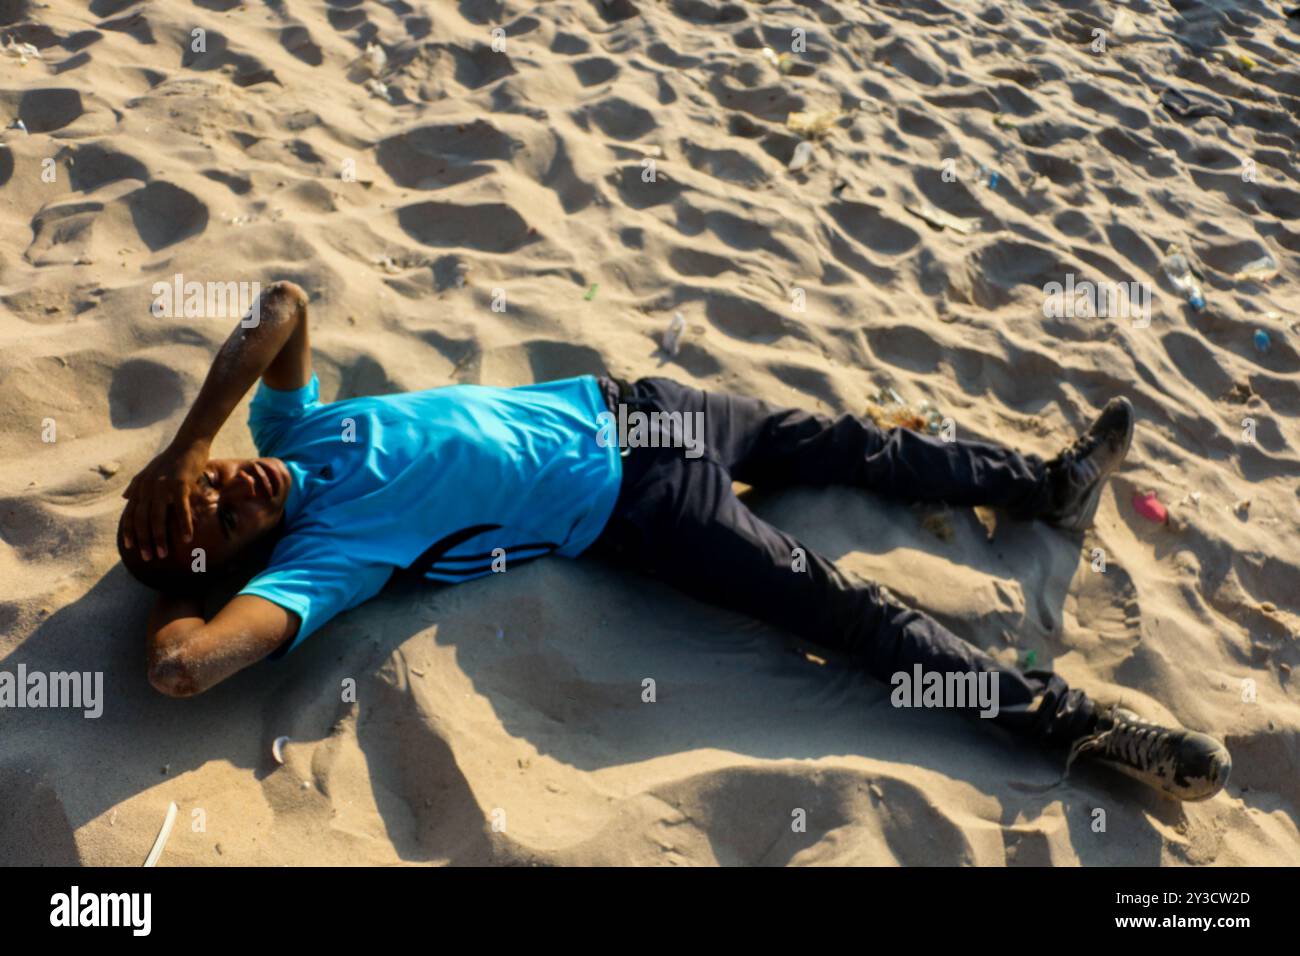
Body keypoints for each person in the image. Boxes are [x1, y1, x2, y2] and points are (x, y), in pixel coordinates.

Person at [117, 281, 1231, 801]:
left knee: (854, 447)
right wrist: (170, 601)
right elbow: (185, 664)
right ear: (228, 563)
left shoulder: (285, 427)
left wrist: (186, 443)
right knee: (845, 616)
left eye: (205, 481)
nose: (224, 485)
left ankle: (1045, 487)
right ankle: (1083, 728)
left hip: (638, 402)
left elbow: (280, 303)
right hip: (644, 510)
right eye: (212, 514)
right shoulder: (324, 557)